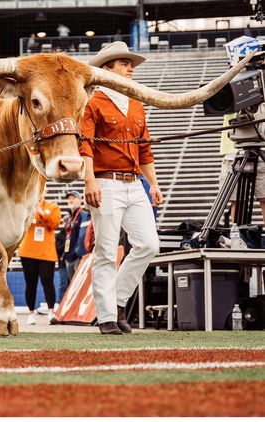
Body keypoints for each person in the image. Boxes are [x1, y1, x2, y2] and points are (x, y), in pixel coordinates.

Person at [80, 41, 163, 335]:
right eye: (124, 63)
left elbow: (145, 150)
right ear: (106, 68)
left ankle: (116, 302)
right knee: (105, 250)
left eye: (130, 64)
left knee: (149, 244)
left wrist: (153, 184)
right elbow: (85, 145)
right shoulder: (92, 103)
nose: (130, 69)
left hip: (133, 183)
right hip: (105, 182)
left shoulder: (137, 105)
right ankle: (106, 317)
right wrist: (89, 180)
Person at [18, 189, 61, 325]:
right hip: (28, 251)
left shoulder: (52, 207)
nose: (39, 193)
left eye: (42, 191)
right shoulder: (26, 206)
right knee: (31, 283)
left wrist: (42, 212)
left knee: (48, 282)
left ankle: (51, 312)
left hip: (46, 252)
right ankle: (31, 313)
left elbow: (54, 224)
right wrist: (32, 208)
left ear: (45, 192)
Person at [60, 191, 90, 282]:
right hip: (69, 257)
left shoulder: (84, 215)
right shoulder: (68, 217)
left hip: (78, 257)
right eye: (69, 199)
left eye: (73, 198)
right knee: (72, 285)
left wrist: (79, 254)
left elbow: (83, 236)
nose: (71, 200)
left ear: (80, 201)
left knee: (79, 283)